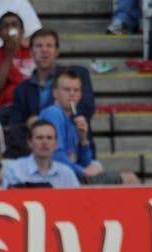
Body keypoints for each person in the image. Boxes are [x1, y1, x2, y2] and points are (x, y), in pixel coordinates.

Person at [39, 69, 139, 186]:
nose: (72, 94)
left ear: (80, 95)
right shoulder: (53, 113)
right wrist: (83, 171)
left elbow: (84, 162)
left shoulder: (72, 123)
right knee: (130, 179)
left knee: (98, 166)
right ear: (55, 93)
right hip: (57, 179)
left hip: (70, 178)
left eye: (76, 90)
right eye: (66, 89)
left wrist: (83, 139)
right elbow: (55, 157)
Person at [8, 28, 95, 159]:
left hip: (76, 152)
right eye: (39, 46)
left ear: (57, 51)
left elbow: (85, 108)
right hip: (39, 156)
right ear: (31, 52)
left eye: (49, 45)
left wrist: (42, 120)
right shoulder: (22, 89)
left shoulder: (77, 75)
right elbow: (15, 125)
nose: (44, 50)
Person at [0, 12, 35, 123]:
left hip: (32, 107)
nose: (10, 29)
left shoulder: (34, 53)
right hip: (6, 111)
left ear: (22, 31)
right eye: (6, 26)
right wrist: (9, 56)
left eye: (14, 25)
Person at [4, 120, 80, 188]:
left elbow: (78, 201)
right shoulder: (14, 170)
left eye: (49, 138)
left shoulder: (67, 173)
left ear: (56, 144)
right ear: (29, 143)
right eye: (39, 138)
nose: (44, 142)